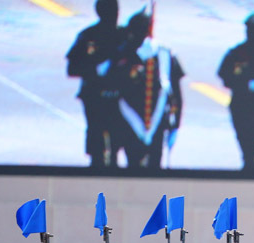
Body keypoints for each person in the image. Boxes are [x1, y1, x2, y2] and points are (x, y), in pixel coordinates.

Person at [110, 9, 184, 169]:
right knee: (137, 165)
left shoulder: (164, 55)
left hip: (157, 121)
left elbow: (175, 93)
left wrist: (176, 124)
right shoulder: (123, 54)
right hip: (130, 120)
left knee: (152, 166)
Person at [66, 0, 121, 167]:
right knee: (96, 137)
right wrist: (95, 70)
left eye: (116, 9)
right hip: (94, 96)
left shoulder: (124, 36)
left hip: (119, 96)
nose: (115, 14)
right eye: (110, 10)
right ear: (100, 12)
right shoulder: (88, 36)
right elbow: (72, 68)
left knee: (117, 140)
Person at [218, 13, 254, 172]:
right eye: (250, 30)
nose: (252, 34)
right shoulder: (236, 53)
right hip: (243, 109)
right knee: (250, 152)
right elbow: (224, 76)